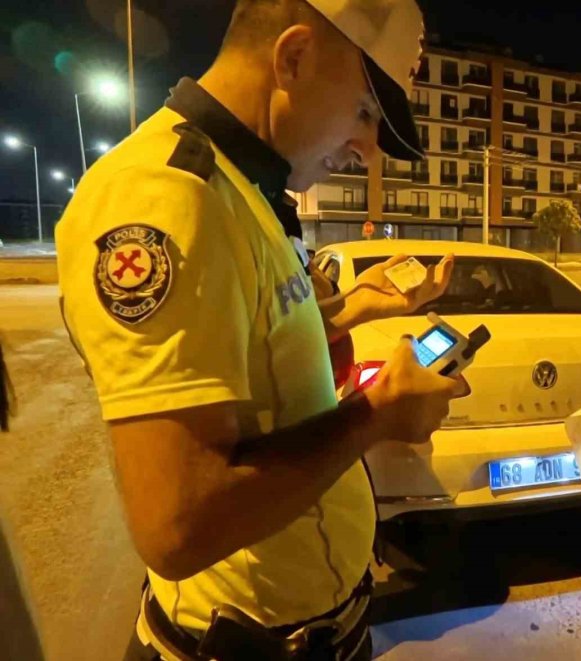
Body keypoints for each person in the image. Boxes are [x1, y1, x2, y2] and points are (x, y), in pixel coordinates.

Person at [55, 1, 459, 659]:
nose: (366, 148)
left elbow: (252, 345)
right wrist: (376, 415)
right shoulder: (167, 197)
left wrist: (353, 307)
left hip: (319, 631)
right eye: (363, 112)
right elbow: (177, 527)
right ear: (293, 58)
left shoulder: (250, 189)